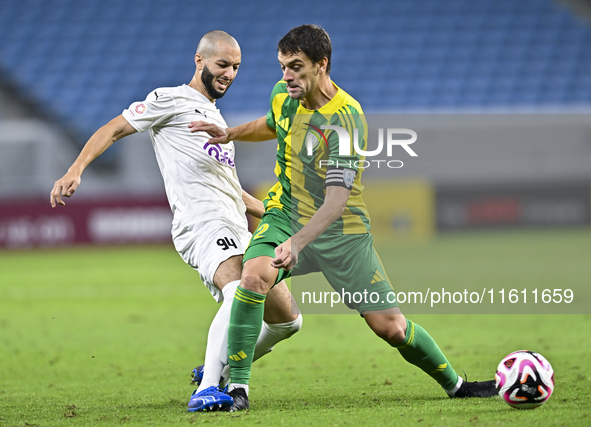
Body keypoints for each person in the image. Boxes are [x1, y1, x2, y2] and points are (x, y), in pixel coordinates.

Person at [189, 24, 496, 412]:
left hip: (342, 232)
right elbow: (272, 123)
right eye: (283, 66)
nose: (286, 76)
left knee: (392, 328)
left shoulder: (346, 119)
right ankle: (238, 391)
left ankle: (457, 386)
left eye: (296, 67)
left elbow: (336, 199)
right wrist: (230, 132)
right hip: (286, 213)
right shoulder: (284, 95)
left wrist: (297, 244)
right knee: (253, 277)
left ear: (322, 65)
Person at [49, 30, 302, 413]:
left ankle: (215, 365)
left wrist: (272, 215)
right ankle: (208, 389)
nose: (229, 73)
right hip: (201, 223)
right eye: (222, 64)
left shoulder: (216, 120)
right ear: (199, 61)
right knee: (238, 292)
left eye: (235, 67)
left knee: (287, 321)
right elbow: (114, 129)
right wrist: (76, 169)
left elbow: (230, 189)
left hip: (234, 223)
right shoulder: (169, 99)